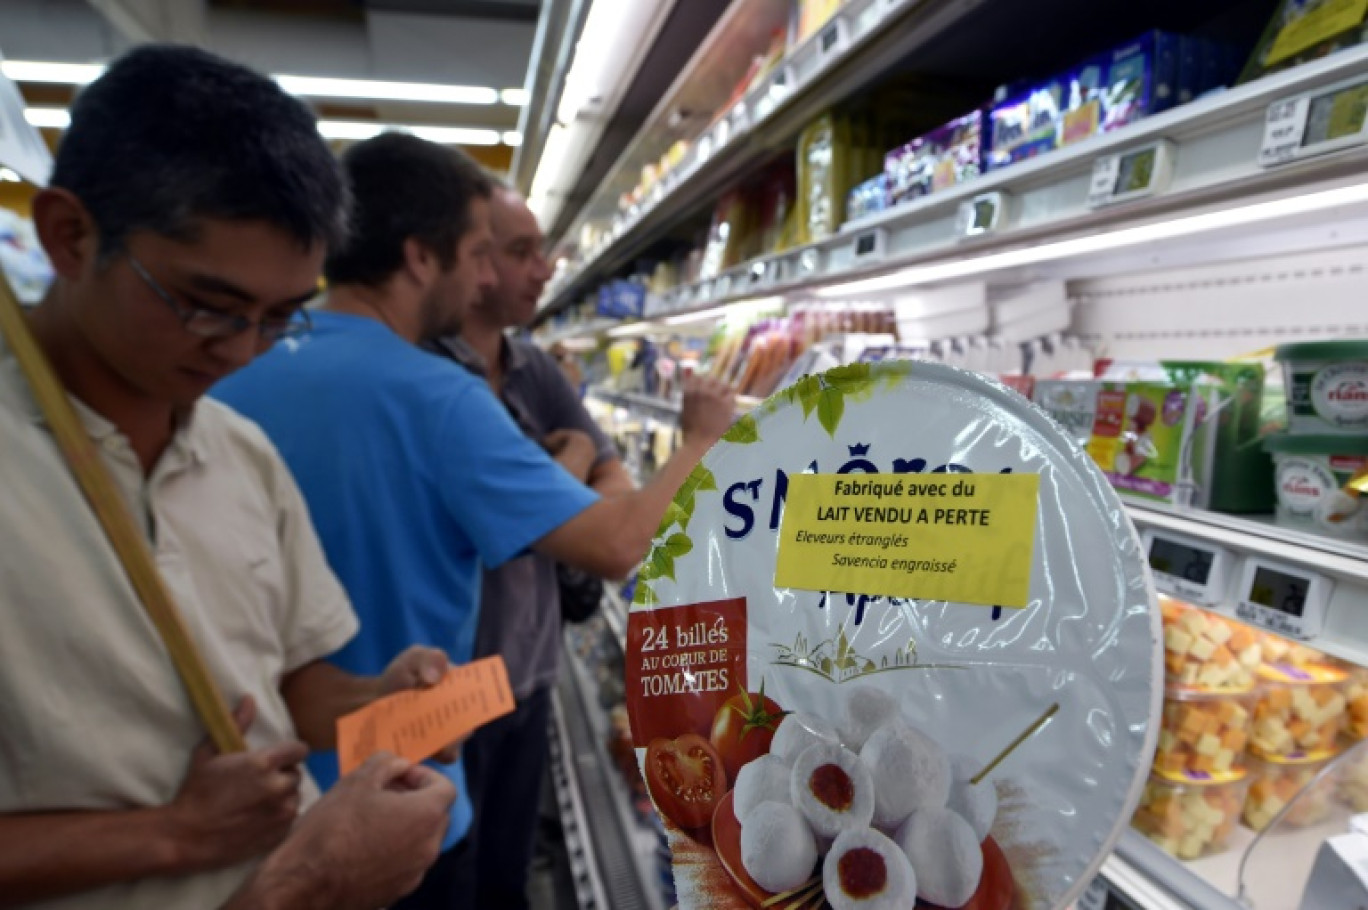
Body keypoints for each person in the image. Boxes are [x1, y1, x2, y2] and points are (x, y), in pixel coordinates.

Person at [213, 134, 736, 909]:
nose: (487, 277)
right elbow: (621, 544)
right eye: (477, 254)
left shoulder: (240, 363)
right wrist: (700, 441)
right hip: (399, 797)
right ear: (423, 258)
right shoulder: (437, 397)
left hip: (254, 796)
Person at [0, 45, 458, 909]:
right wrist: (171, 833)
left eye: (282, 317)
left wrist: (384, 702)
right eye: (205, 305)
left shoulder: (241, 451)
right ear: (69, 235)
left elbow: (286, 687)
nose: (243, 349)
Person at [428, 184, 633, 907]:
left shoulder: (533, 368)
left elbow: (609, 484)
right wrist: (566, 474)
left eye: (540, 250)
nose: (542, 269)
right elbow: (581, 507)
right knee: (445, 874)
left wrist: (563, 494)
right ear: (470, 259)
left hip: (528, 666)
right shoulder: (432, 378)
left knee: (504, 878)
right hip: (437, 687)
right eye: (519, 252)